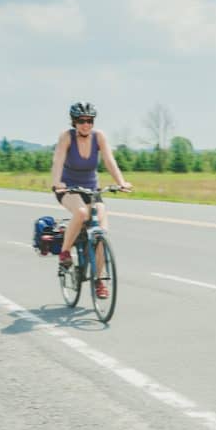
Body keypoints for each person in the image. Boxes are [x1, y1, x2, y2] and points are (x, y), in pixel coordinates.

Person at [49, 102, 132, 298]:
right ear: (74, 122)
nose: (86, 124)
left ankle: (100, 280)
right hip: (68, 188)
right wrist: (56, 182)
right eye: (81, 121)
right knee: (81, 213)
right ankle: (65, 253)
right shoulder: (66, 137)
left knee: (101, 232)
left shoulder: (99, 137)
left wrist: (121, 182)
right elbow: (58, 161)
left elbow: (110, 161)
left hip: (91, 189)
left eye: (89, 120)